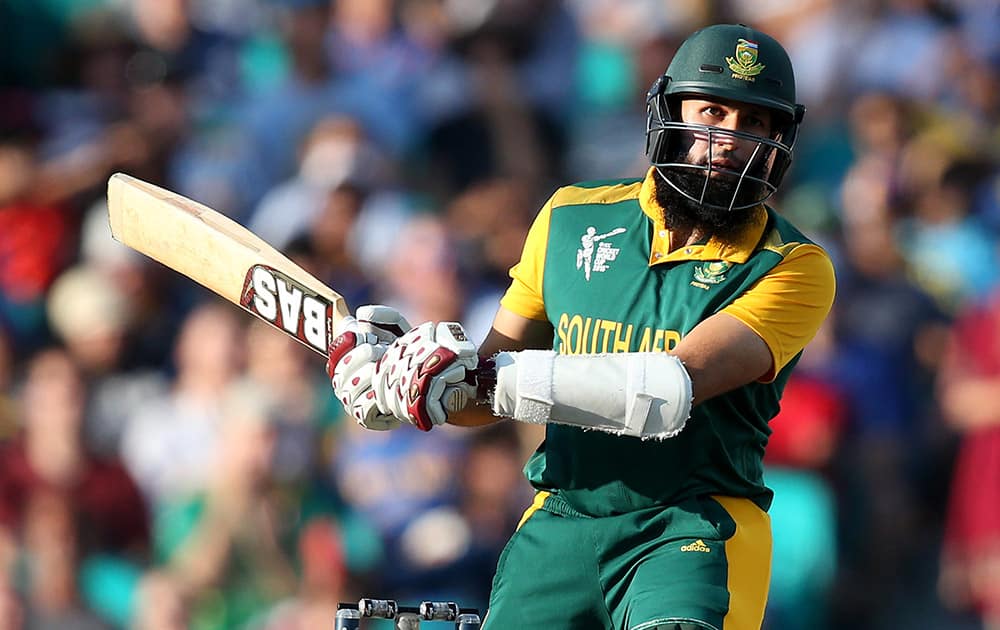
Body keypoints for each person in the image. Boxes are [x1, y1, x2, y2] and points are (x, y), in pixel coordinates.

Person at [327, 23, 836, 630]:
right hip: (560, 520)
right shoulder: (570, 217)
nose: (728, 138)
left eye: (753, 123)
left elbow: (671, 389)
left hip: (692, 526)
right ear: (668, 112)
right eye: (713, 111)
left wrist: (478, 379)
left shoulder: (794, 265)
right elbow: (481, 391)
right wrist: (412, 386)